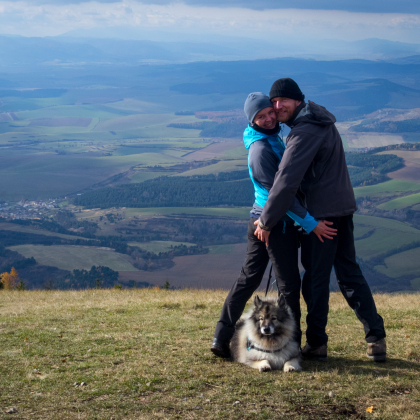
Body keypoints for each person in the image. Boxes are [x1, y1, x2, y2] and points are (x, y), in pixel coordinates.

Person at [254, 78, 387, 362]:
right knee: (349, 273)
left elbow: (285, 181)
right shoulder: (319, 118)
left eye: (283, 101)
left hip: (323, 216)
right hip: (341, 209)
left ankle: (316, 344)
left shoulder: (305, 132)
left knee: (314, 280)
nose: (277, 107)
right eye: (274, 102)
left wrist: (265, 221)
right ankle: (376, 337)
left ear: (297, 100)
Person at [211, 92, 337, 359]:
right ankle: (292, 345)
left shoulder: (267, 140)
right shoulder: (261, 150)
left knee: (248, 280)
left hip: (261, 219)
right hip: (273, 223)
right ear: (252, 120)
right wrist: (312, 224)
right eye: (261, 116)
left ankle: (220, 338)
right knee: (288, 285)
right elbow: (280, 197)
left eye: (269, 112)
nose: (269, 118)